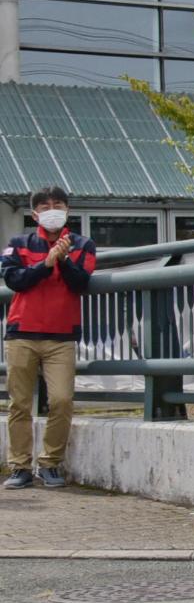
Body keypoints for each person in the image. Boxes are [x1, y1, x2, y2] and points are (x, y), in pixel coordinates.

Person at [2, 186, 97, 489]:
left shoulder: (83, 244)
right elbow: (14, 279)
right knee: (19, 403)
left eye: (57, 204)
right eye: (45, 206)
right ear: (35, 214)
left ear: (68, 210)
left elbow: (80, 283)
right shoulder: (19, 243)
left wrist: (64, 259)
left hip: (61, 335)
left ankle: (50, 463)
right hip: (22, 334)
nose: (51, 209)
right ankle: (19, 466)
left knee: (62, 400)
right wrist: (45, 264)